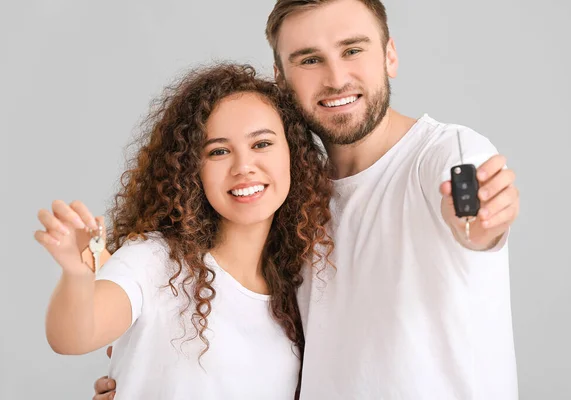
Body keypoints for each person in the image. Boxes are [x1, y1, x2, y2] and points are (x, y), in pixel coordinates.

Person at [95, 0, 521, 399]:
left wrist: (480, 225)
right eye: (310, 59)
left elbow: (476, 221)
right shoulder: (286, 203)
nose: (335, 78)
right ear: (282, 78)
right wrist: (148, 378)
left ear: (390, 55)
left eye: (352, 50)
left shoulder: (447, 155)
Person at [35, 63, 334, 399]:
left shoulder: (303, 287)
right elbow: (74, 336)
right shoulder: (155, 261)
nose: (244, 166)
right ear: (193, 168)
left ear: (292, 154)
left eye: (261, 144)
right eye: (218, 151)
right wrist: (76, 274)